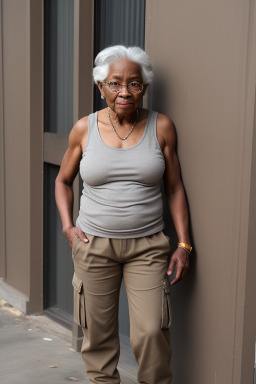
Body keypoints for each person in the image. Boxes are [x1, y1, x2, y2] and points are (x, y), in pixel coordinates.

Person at [55, 45, 191, 384]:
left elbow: (175, 188)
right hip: (94, 246)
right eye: (115, 83)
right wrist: (68, 226)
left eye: (134, 83)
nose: (125, 92)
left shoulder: (161, 127)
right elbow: (62, 181)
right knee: (98, 339)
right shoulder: (83, 129)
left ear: (143, 87)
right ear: (100, 87)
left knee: (150, 334)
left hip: (147, 248)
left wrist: (184, 245)